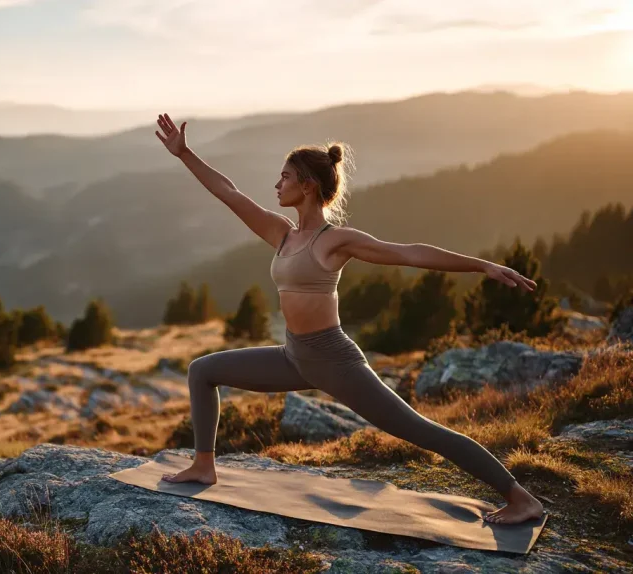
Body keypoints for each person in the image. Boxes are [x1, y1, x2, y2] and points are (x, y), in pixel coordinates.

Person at [153, 113, 544, 525]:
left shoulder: (334, 241)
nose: (276, 184)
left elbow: (409, 252)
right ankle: (203, 465)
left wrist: (481, 266)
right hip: (293, 356)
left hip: (334, 361)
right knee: (202, 371)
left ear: (307, 186)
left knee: (422, 431)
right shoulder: (282, 233)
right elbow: (229, 193)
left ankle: (520, 498)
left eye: (284, 177)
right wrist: (185, 154)